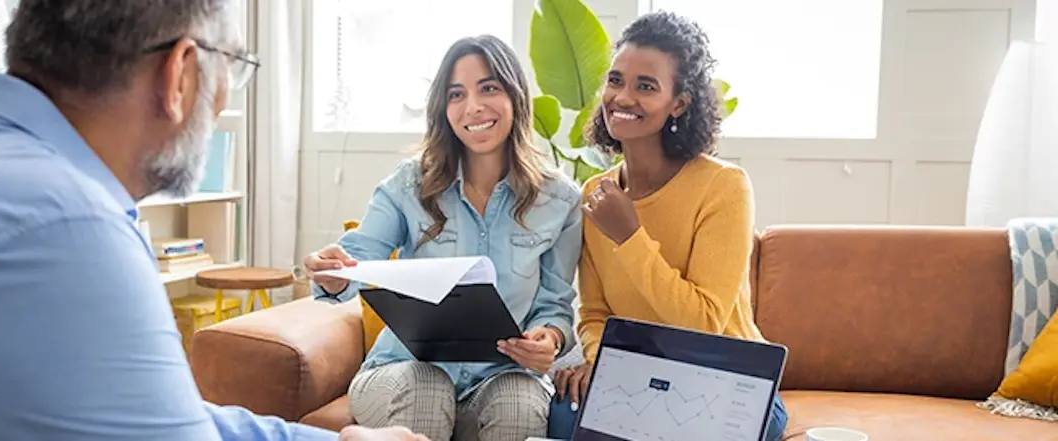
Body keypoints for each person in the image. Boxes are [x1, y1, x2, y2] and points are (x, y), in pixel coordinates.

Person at [0, 1, 424, 440]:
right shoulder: (63, 225)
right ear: (179, 73)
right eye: (233, 68)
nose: (226, 93)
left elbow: (165, 418)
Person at [303, 35, 583, 441]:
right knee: (427, 388)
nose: (473, 107)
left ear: (516, 96)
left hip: (501, 375)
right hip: (402, 372)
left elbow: (554, 304)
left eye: (489, 88)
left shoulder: (560, 199)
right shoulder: (407, 184)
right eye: (457, 94)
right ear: (444, 107)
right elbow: (358, 258)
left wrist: (549, 337)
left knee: (520, 402)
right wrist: (334, 273)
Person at [545, 11, 789, 441]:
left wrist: (630, 237)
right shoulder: (596, 193)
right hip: (637, 379)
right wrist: (605, 366)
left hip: (727, 380)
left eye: (646, 86)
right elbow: (594, 312)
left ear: (679, 103)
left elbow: (705, 323)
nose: (622, 97)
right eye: (616, 80)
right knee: (565, 418)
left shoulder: (724, 187)